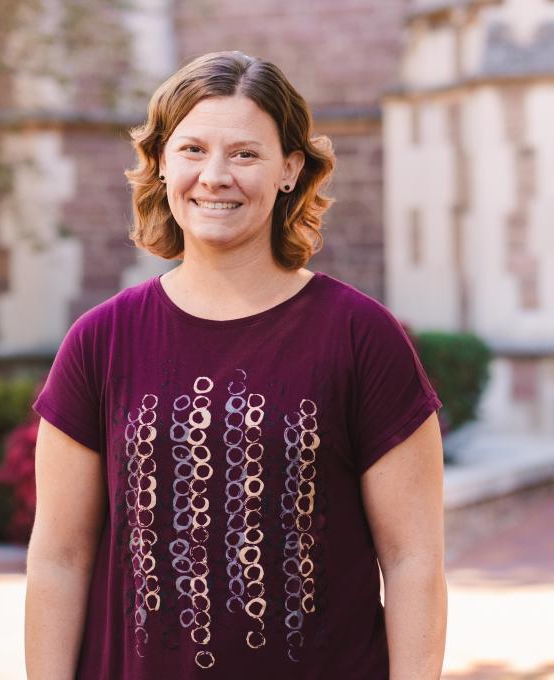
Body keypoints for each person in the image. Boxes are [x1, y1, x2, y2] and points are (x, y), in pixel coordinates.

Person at [24, 50, 447, 679]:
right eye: (192, 150)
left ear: (289, 170)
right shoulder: (100, 341)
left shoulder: (362, 337)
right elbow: (59, 556)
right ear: (162, 162)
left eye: (245, 153)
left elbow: (413, 557)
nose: (215, 176)